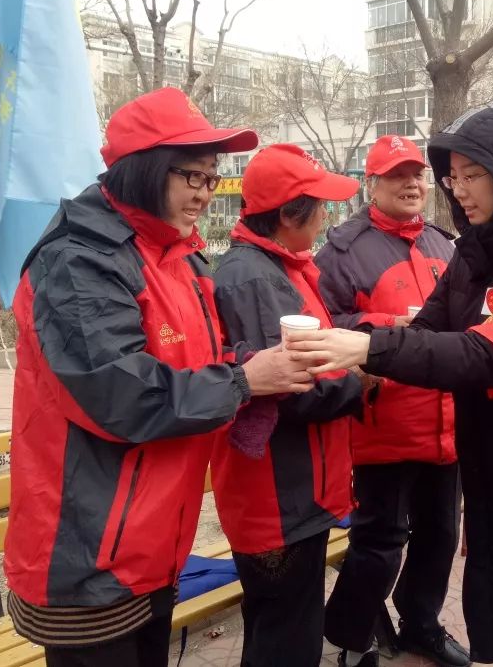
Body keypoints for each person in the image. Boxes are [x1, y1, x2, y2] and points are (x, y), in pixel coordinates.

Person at [288, 104, 493, 667]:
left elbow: (489, 354)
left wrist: (369, 347)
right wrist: (361, 358)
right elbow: (429, 330)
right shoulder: (474, 249)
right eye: (454, 177)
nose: (458, 190)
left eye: (473, 175)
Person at [5, 88, 315, 667]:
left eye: (212, 178)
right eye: (191, 176)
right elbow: (120, 394)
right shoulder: (81, 259)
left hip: (154, 541)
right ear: (143, 169)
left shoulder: (179, 255)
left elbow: (199, 361)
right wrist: (245, 381)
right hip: (90, 552)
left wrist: (265, 365)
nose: (205, 192)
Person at [208, 144, 367, 667]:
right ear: (286, 215)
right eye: (318, 206)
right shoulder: (254, 278)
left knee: (283, 625)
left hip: (299, 485)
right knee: (287, 636)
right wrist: (366, 380)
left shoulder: (280, 267)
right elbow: (294, 386)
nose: (326, 218)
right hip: (277, 493)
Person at [314, 136, 467, 667]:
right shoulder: (343, 251)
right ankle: (348, 636)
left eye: (417, 175)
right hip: (384, 427)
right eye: (397, 175)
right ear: (372, 184)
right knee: (380, 546)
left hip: (446, 423)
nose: (411, 184)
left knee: (440, 537)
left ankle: (421, 624)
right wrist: (386, 327)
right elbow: (321, 324)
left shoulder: (445, 244)